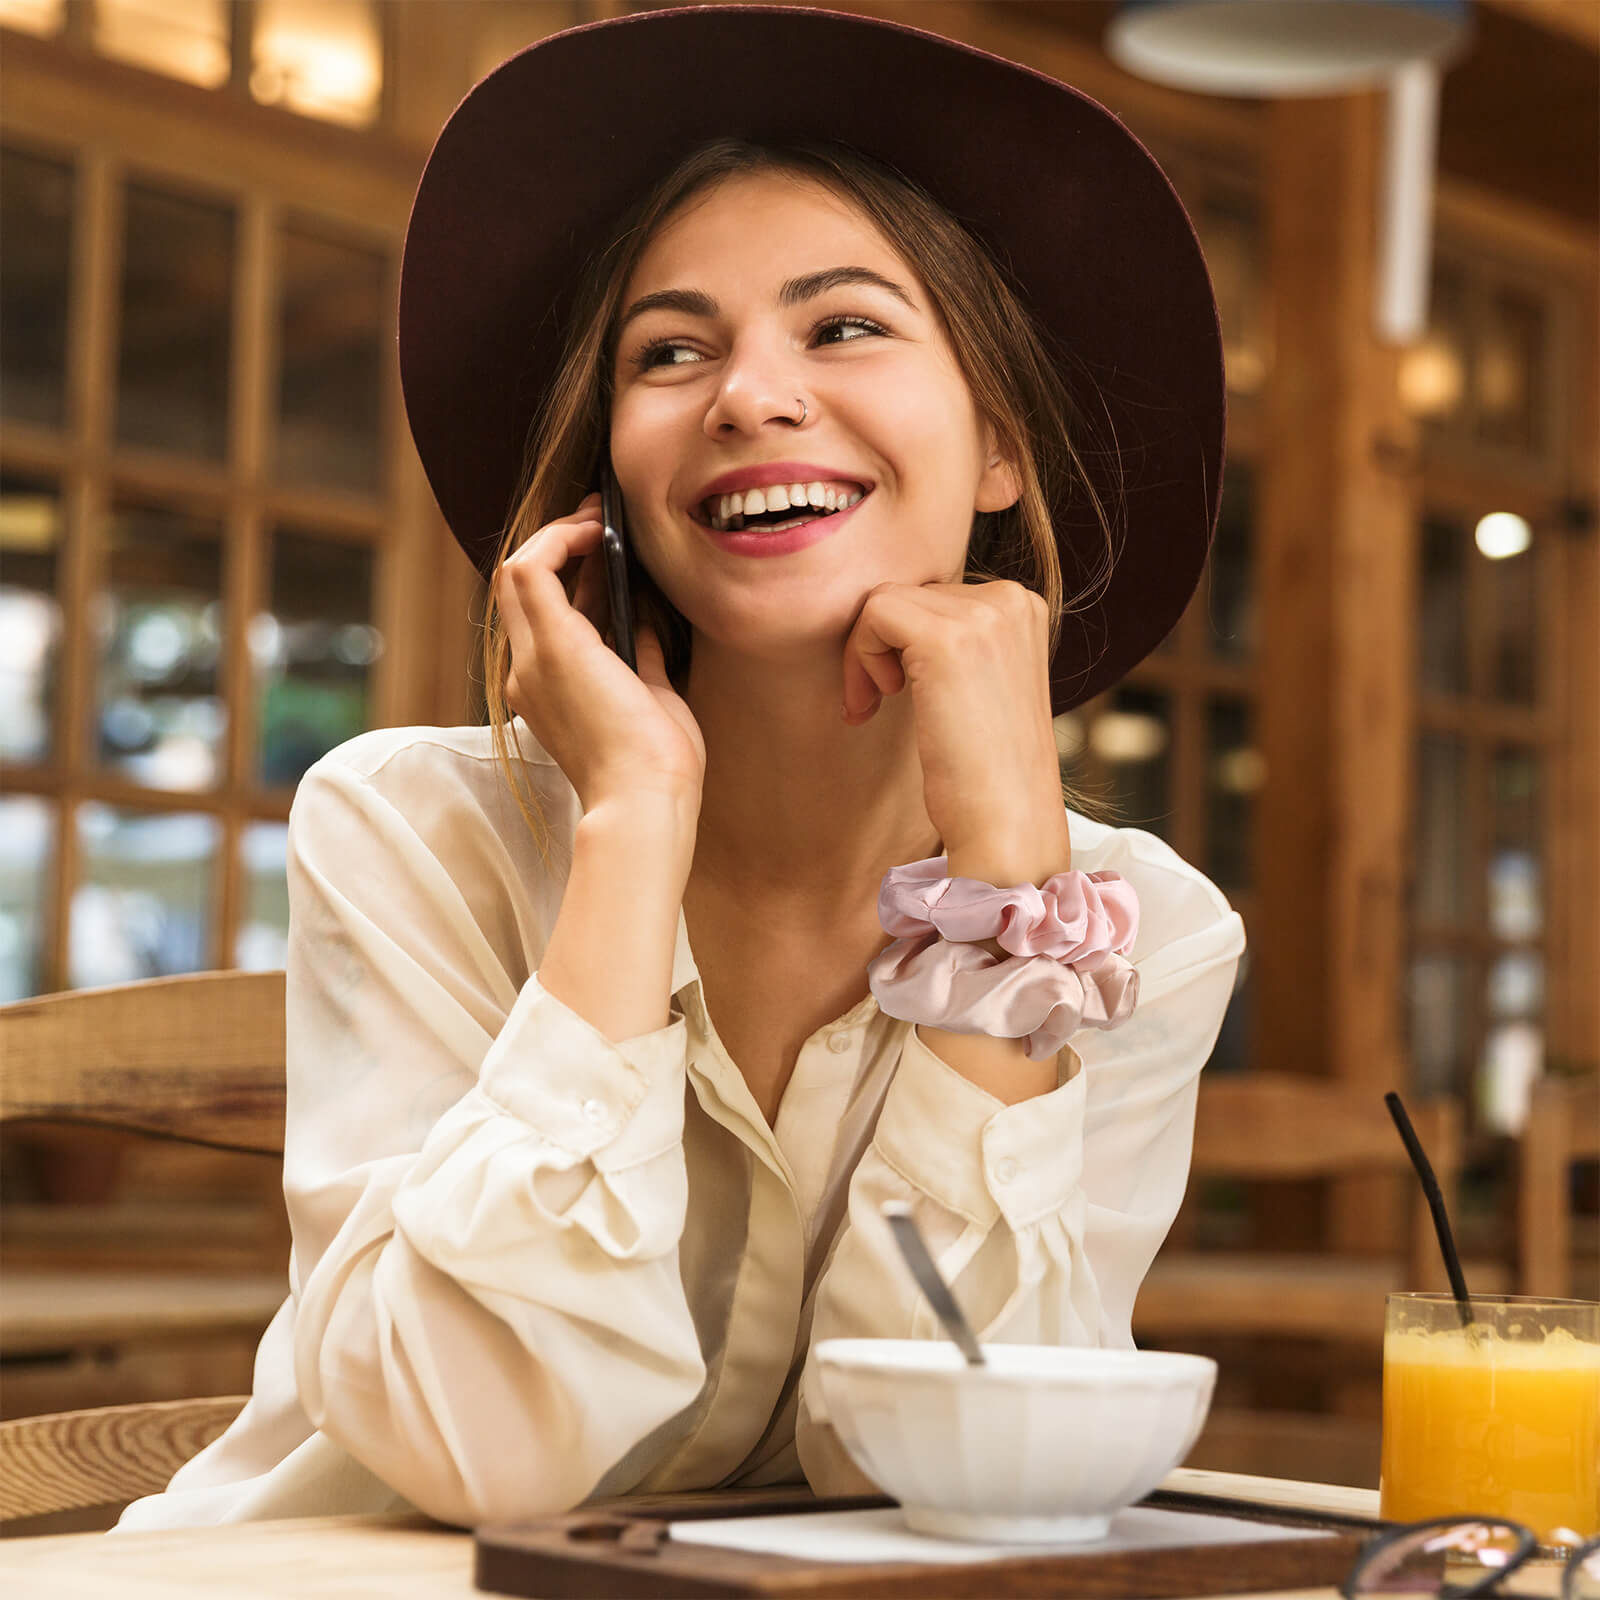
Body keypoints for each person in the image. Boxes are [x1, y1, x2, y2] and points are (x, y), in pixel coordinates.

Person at [115, 5, 1245, 1531]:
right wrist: (632, 821)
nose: (747, 395)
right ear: (611, 492)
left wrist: (1003, 885)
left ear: (997, 450)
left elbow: (950, 1462)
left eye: (844, 325)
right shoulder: (410, 831)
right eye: (672, 351)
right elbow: (486, 1454)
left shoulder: (1140, 933)